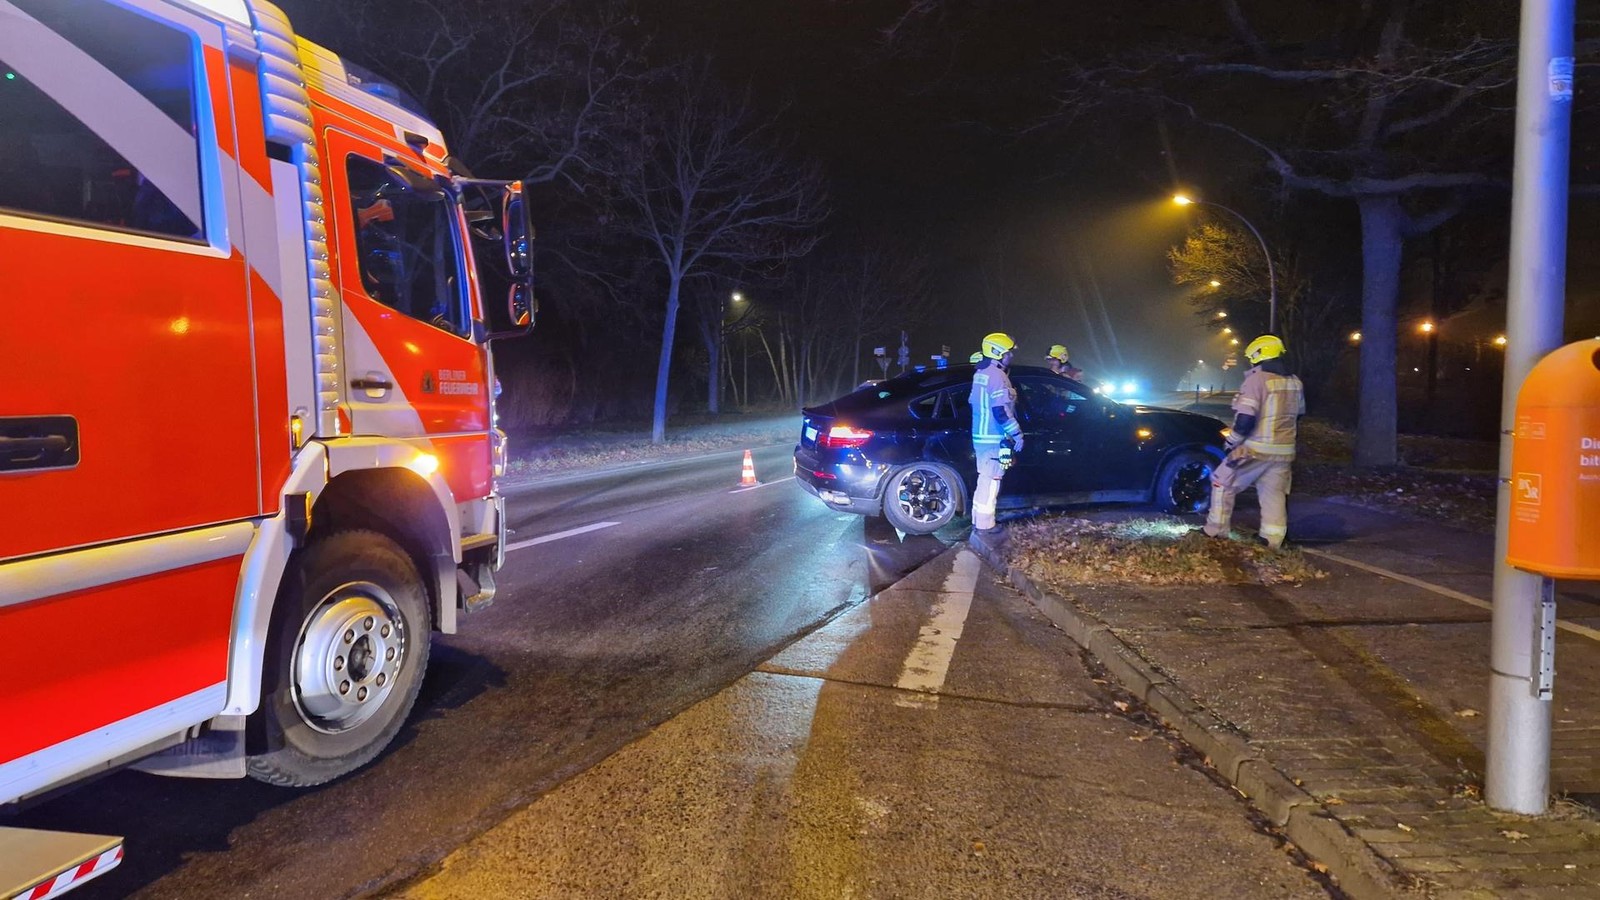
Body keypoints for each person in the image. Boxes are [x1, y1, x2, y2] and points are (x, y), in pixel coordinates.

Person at [1203, 334, 1305, 549]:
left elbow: (1246, 418)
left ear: (1259, 356)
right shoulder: (1295, 382)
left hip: (1255, 449)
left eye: (1252, 358)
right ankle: (1272, 540)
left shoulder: (1257, 380)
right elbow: (1299, 415)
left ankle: (1215, 531)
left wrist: (1232, 441)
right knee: (1273, 493)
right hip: (1284, 451)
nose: (1251, 362)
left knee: (1222, 481)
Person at [969, 332, 1022, 540]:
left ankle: (978, 520)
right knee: (992, 482)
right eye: (1008, 353)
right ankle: (985, 525)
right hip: (993, 438)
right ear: (998, 353)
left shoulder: (982, 373)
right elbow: (1000, 412)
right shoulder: (997, 376)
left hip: (982, 436)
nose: (1011, 357)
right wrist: (1016, 433)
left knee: (985, 480)